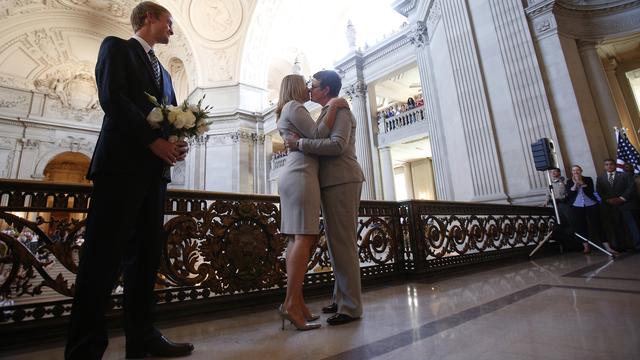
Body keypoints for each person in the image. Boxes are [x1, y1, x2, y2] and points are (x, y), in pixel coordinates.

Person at [65, 2, 193, 359]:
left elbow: (170, 117)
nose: (172, 29)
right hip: (120, 168)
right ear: (149, 18)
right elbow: (113, 99)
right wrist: (153, 141)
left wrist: (175, 144)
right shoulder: (116, 48)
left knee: (146, 259)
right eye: (168, 22)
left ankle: (143, 337)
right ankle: (84, 348)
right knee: (102, 259)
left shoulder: (165, 75)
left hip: (154, 175)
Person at [286, 70, 365, 326]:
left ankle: (351, 306)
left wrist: (299, 145)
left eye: (315, 86)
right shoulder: (328, 110)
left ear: (327, 90)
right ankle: (341, 297)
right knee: (335, 244)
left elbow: (336, 145)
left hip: (342, 179)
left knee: (343, 244)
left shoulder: (340, 110)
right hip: (331, 183)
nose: (310, 89)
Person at [275, 74, 347, 330]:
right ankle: (291, 305)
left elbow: (311, 135)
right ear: (295, 87)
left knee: (296, 239)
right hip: (302, 175)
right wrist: (335, 106)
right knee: (304, 238)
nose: (308, 88)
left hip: (295, 173)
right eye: (304, 84)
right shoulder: (295, 107)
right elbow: (318, 133)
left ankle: (296, 302)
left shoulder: (288, 109)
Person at [566, 165, 618, 255]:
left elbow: (590, 190)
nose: (576, 172)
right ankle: (586, 247)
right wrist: (575, 184)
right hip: (577, 205)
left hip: (591, 204)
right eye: (574, 170)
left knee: (598, 224)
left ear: (581, 171)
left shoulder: (588, 179)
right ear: (572, 172)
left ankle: (607, 247)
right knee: (580, 226)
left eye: (577, 170)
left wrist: (581, 182)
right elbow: (570, 194)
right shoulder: (569, 181)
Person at [596, 159, 640, 251]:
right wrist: (608, 200)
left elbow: (631, 188)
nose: (609, 166)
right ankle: (622, 246)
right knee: (616, 227)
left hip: (626, 204)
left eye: (611, 164)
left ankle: (638, 245)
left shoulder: (625, 175)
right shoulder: (600, 178)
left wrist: (621, 198)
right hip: (611, 206)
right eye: (606, 165)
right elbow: (600, 192)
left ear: (615, 165)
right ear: (604, 167)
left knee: (633, 226)